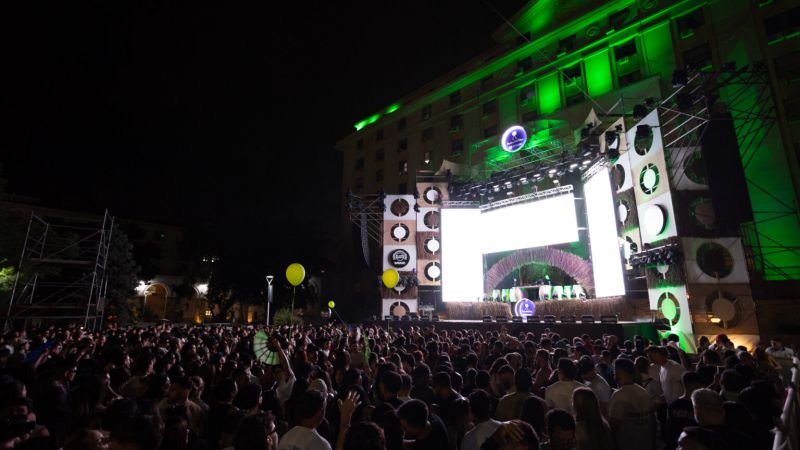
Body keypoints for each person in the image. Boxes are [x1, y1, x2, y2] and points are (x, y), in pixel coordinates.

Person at [607, 358, 655, 450]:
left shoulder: (619, 395)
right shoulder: (643, 392)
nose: (614, 373)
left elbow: (614, 425)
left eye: (615, 370)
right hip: (645, 444)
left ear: (620, 372)